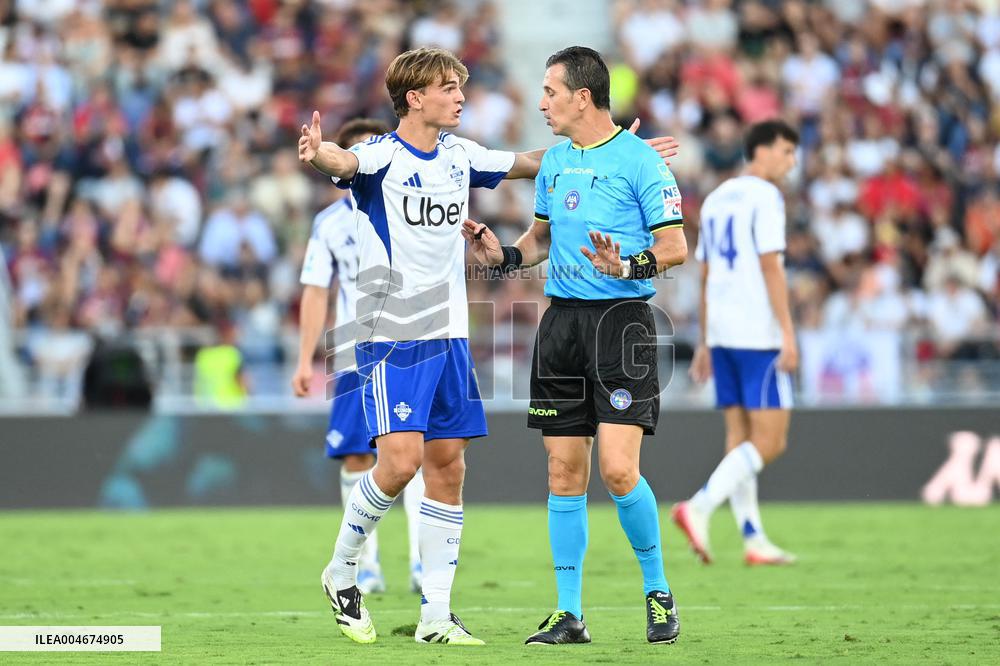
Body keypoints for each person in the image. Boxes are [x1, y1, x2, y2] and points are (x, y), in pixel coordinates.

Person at [299, 47, 677, 648]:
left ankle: (436, 617)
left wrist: (615, 152)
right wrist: (317, 152)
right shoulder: (378, 158)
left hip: (450, 336)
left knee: (448, 467)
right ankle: (343, 570)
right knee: (399, 464)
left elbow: (531, 161)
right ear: (415, 97)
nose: (461, 97)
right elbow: (339, 160)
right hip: (392, 335)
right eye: (450, 88)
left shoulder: (459, 155)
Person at [463, 46, 687, 646]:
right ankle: (569, 613)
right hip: (560, 325)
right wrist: (504, 256)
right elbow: (538, 238)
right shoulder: (555, 161)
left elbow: (674, 248)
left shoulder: (643, 162)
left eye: (550, 92)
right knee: (564, 473)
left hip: (622, 323)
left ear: (582, 96)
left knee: (617, 471)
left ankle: (658, 591)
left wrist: (628, 264)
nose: (542, 103)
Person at [291, 118, 425, 597]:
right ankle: (366, 564)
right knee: (355, 456)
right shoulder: (328, 223)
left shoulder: (412, 204)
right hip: (353, 355)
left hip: (411, 347)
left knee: (412, 457)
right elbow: (314, 290)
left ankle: (420, 563)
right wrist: (305, 359)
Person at [671, 119, 800, 566]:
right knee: (771, 441)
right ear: (760, 151)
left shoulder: (718, 197)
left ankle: (753, 537)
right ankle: (698, 507)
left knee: (739, 438)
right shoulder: (766, 197)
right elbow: (770, 267)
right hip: (757, 332)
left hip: (724, 332)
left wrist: (705, 340)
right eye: (785, 151)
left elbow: (705, 274)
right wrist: (787, 331)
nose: (791, 161)